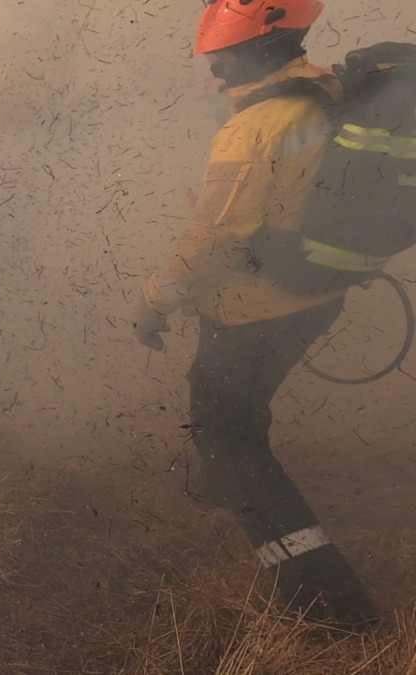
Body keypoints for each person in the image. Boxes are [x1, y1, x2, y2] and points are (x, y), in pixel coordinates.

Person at [132, 0, 378, 626]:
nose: (215, 70)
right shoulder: (324, 90)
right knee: (236, 423)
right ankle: (243, 499)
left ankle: (327, 604)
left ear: (260, 50)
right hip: (314, 296)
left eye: (222, 57)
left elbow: (215, 238)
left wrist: (155, 299)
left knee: (225, 438)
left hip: (256, 309)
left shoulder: (256, 125)